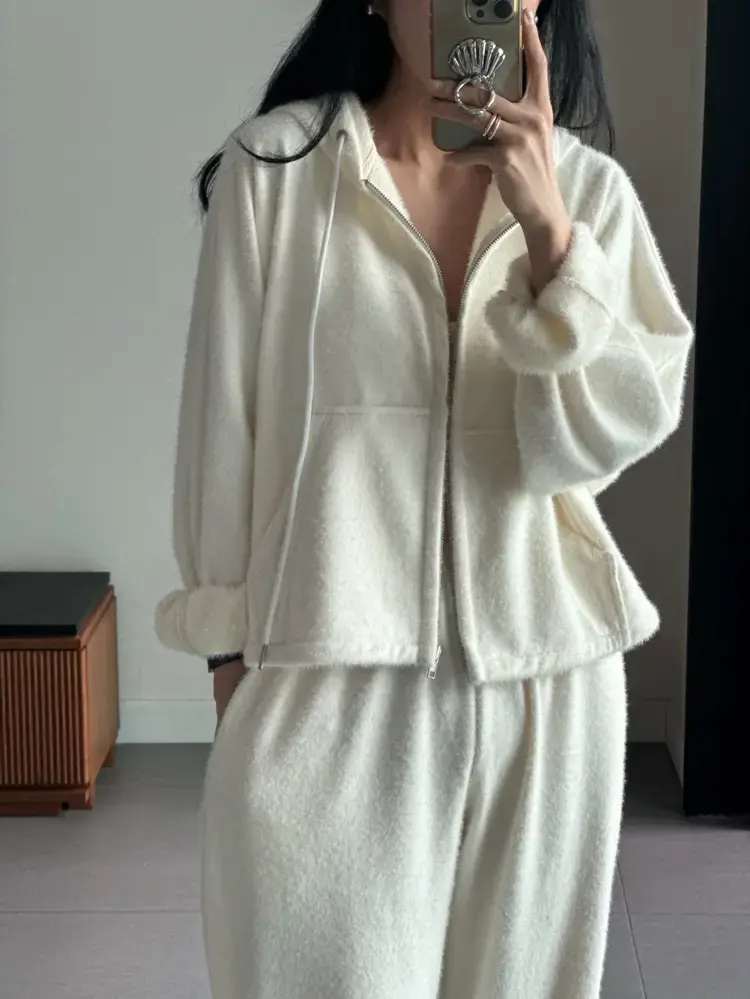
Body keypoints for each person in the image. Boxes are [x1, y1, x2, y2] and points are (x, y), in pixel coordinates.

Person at [155, 0, 693, 995]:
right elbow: (219, 436)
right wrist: (232, 666)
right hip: (325, 675)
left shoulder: (589, 195)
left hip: (544, 691)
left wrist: (549, 235)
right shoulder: (275, 171)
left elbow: (608, 438)